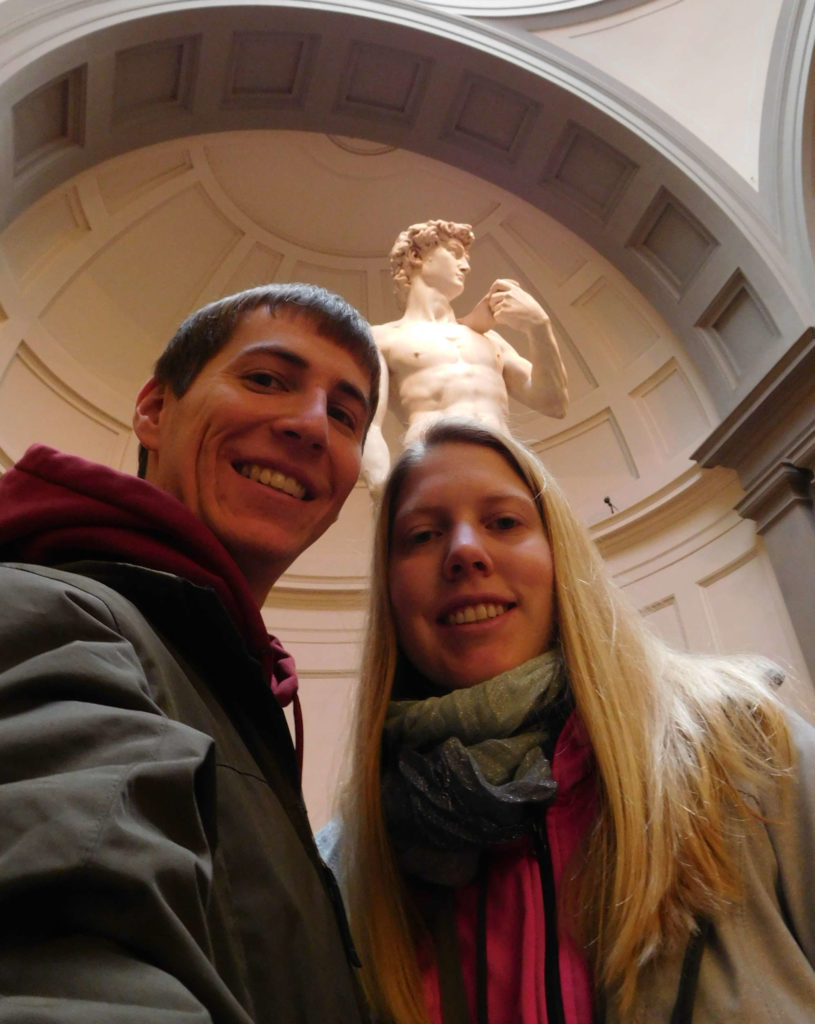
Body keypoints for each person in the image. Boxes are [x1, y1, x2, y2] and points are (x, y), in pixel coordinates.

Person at [321, 417, 815, 1023]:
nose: (465, 552)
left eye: (504, 522)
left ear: (561, 555)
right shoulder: (352, 858)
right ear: (390, 589)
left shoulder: (743, 747)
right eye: (422, 535)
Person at [0, 283, 380, 1023]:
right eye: (267, 379)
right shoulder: (56, 612)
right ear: (153, 410)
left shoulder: (222, 685)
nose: (309, 425)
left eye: (343, 415)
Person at [361, 219, 569, 495]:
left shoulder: (488, 338)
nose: (466, 266)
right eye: (455, 253)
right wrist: (381, 491)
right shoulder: (383, 338)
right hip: (433, 470)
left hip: (506, 466)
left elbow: (554, 404)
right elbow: (368, 426)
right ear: (416, 256)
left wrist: (539, 327)